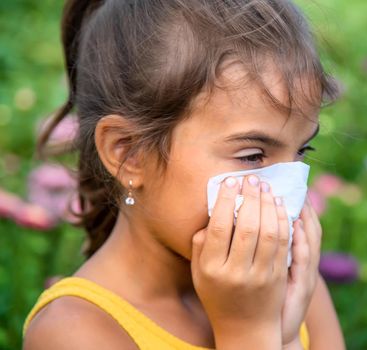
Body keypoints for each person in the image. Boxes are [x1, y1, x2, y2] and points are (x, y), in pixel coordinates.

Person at [22, 0, 345, 349]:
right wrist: (247, 331)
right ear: (128, 153)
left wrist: (282, 333)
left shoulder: (297, 290)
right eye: (252, 156)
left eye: (301, 152)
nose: (288, 194)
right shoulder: (75, 331)